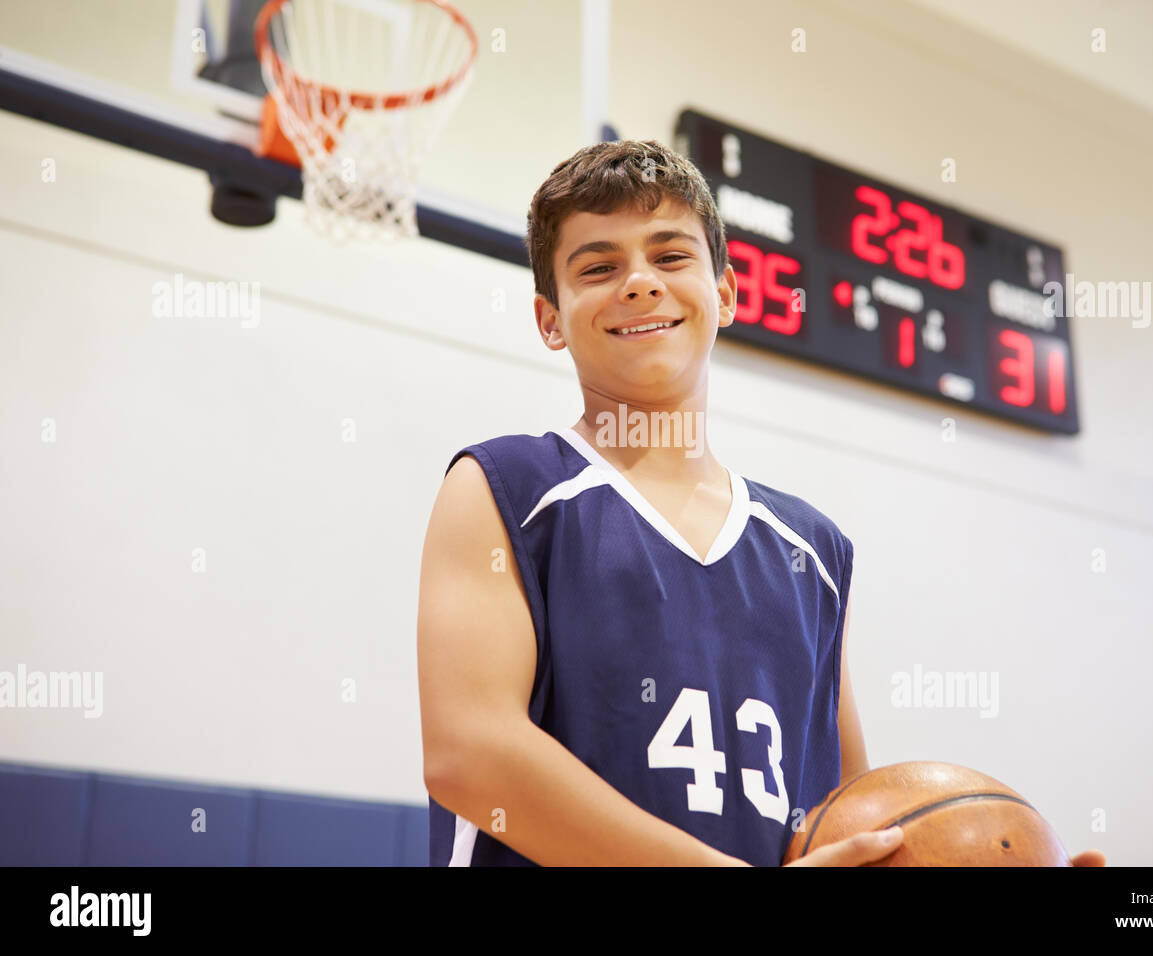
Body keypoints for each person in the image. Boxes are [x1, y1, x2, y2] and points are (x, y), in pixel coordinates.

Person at [416, 138, 1105, 868]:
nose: (640, 283)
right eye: (598, 267)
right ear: (549, 319)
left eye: (671, 255)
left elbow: (849, 824)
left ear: (729, 292)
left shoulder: (813, 552)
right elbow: (470, 754)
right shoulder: (508, 486)